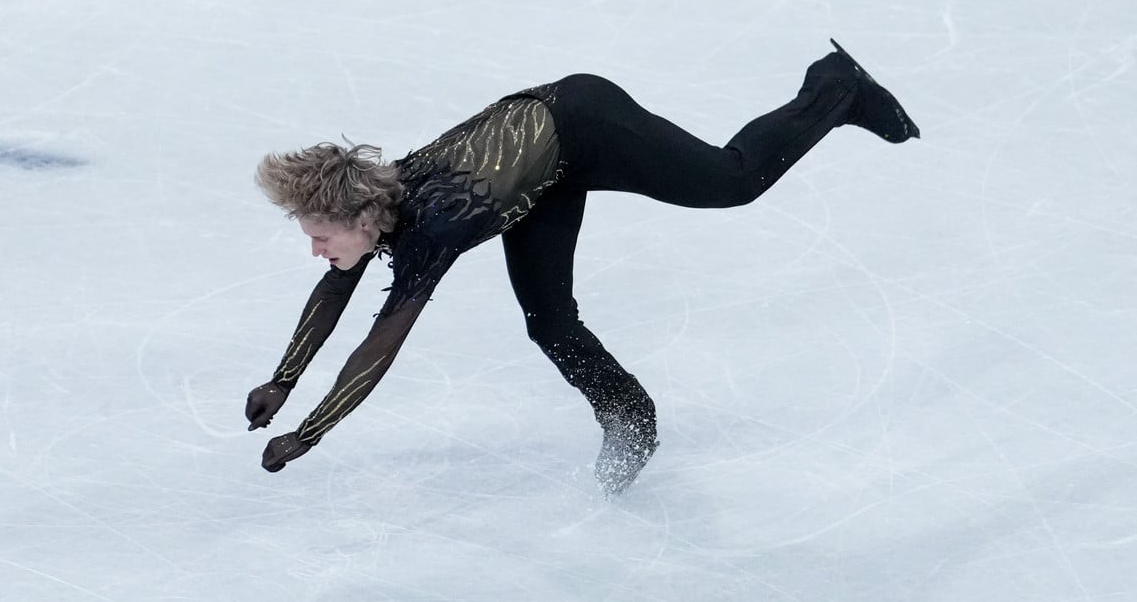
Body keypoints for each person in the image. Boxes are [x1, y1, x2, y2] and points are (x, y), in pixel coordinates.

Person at [244, 39, 920, 494]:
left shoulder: (436, 225)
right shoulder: (378, 205)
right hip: (538, 175)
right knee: (549, 321)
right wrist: (283, 378)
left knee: (732, 179)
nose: (317, 250)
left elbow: (379, 346)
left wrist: (310, 432)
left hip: (584, 124)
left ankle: (835, 88)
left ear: (359, 216)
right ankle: (630, 414)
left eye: (320, 236)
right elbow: (335, 286)